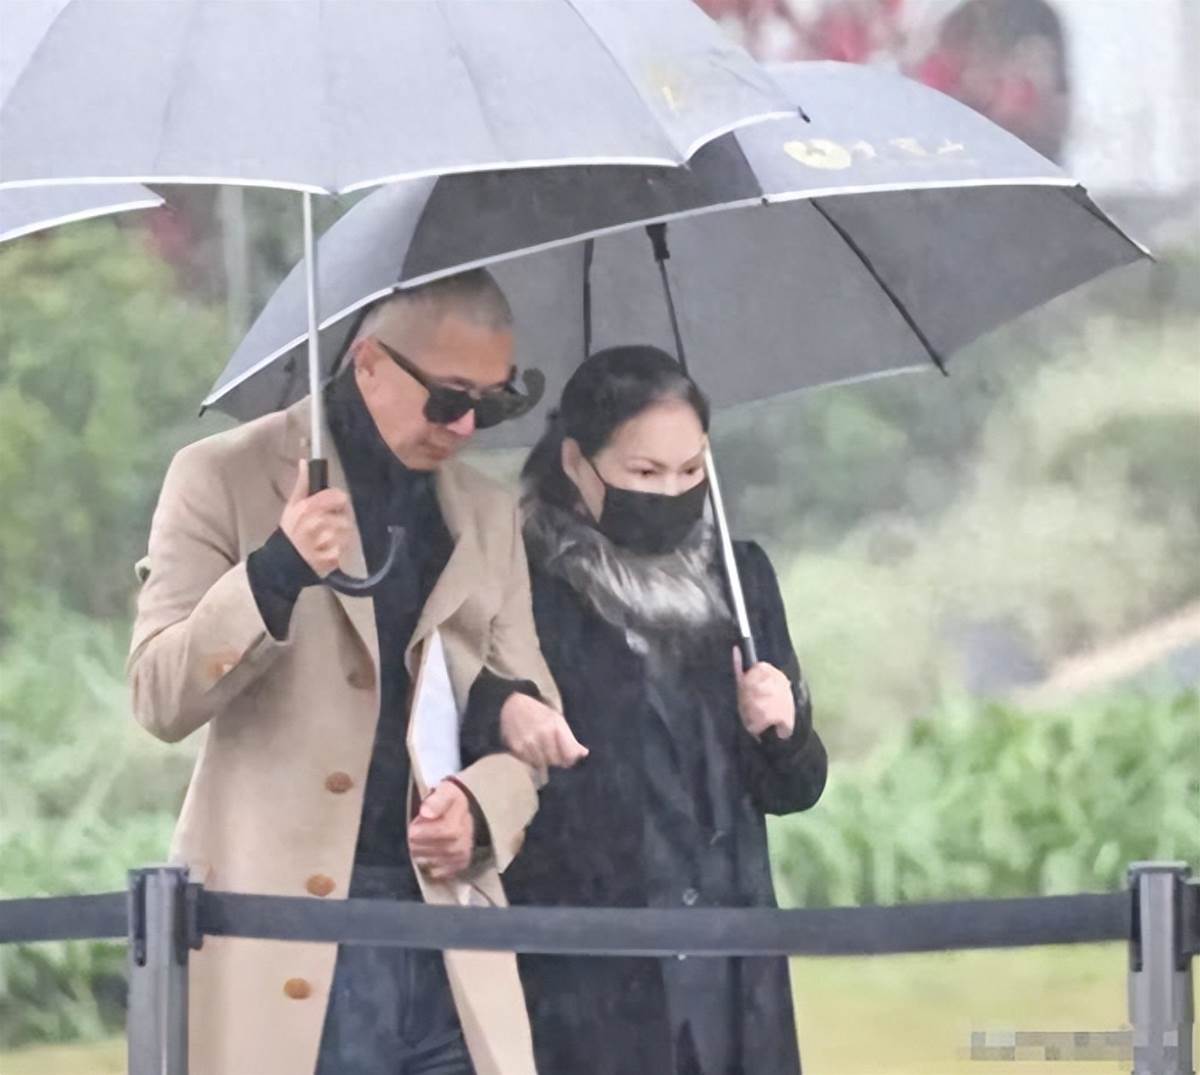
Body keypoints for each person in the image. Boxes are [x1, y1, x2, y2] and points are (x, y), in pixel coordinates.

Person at [127, 269, 585, 1075]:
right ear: (369, 362)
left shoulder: (486, 511)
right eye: (448, 398)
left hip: (451, 935)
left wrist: (480, 809)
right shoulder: (221, 476)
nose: (467, 425)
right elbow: (158, 694)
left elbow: (531, 708)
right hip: (284, 936)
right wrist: (276, 569)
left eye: (496, 402)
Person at [467, 346, 828, 1075]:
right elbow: (476, 732)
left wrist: (784, 731)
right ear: (576, 462)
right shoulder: (522, 586)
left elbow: (793, 789)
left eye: (691, 470)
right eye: (645, 472)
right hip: (591, 979)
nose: (672, 491)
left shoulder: (741, 580)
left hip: (734, 973)